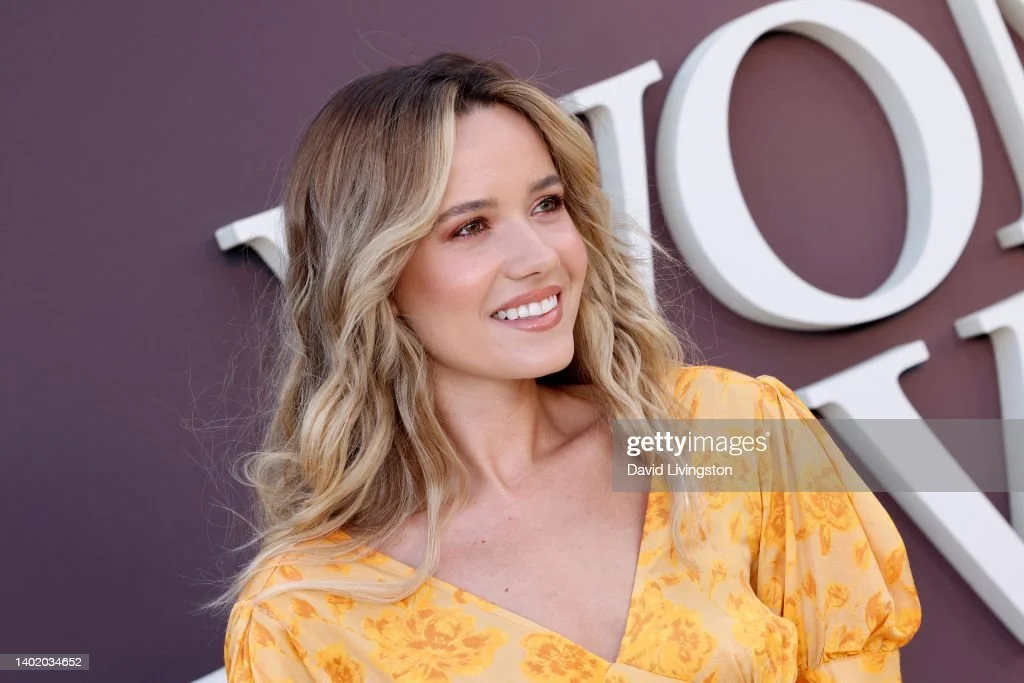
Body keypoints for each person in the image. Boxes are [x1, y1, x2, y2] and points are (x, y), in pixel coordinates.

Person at [214, 52, 921, 682]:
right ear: (376, 277)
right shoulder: (305, 614)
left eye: (547, 204)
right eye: (470, 227)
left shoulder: (724, 430)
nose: (540, 256)